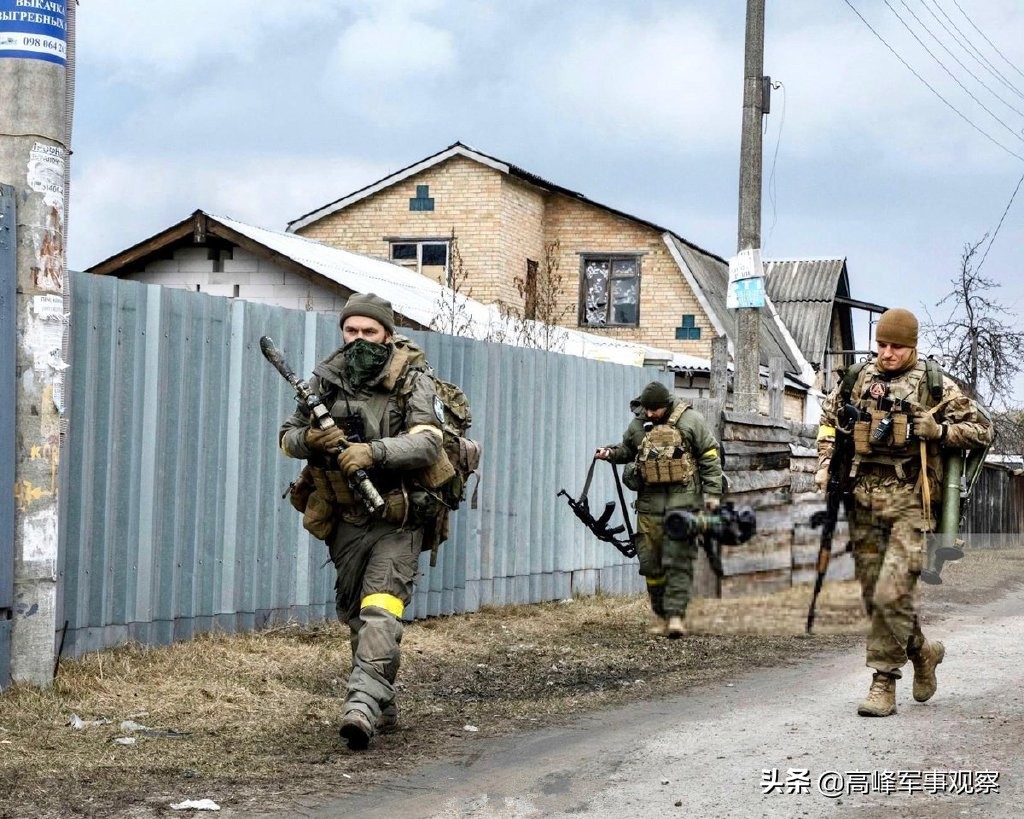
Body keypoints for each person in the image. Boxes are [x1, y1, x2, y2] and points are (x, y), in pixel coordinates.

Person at [278, 293, 445, 750]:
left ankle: (361, 706)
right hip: (346, 520)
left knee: (380, 610)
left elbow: (430, 444)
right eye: (351, 330)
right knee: (357, 617)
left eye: (369, 332)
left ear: (387, 335)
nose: (358, 339)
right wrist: (311, 438)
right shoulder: (326, 378)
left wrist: (372, 452)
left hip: (398, 517)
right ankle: (383, 702)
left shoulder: (414, 380)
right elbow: (287, 437)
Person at [815, 307, 992, 717]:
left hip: (913, 501)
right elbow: (828, 422)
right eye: (881, 345)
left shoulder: (936, 385)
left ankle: (882, 683)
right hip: (863, 499)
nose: (887, 353)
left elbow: (984, 430)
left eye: (896, 346)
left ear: (912, 346)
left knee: (893, 590)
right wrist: (825, 464)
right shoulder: (857, 379)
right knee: (875, 594)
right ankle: (923, 652)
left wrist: (941, 431)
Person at [595, 381, 723, 638]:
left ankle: (675, 617)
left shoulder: (691, 421)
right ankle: (662, 613)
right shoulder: (638, 425)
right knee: (650, 564)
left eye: (655, 410)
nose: (650, 414)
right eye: (647, 409)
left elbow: (709, 457)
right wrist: (609, 453)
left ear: (666, 405)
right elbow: (628, 452)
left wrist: (712, 495)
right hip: (649, 506)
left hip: (683, 504)